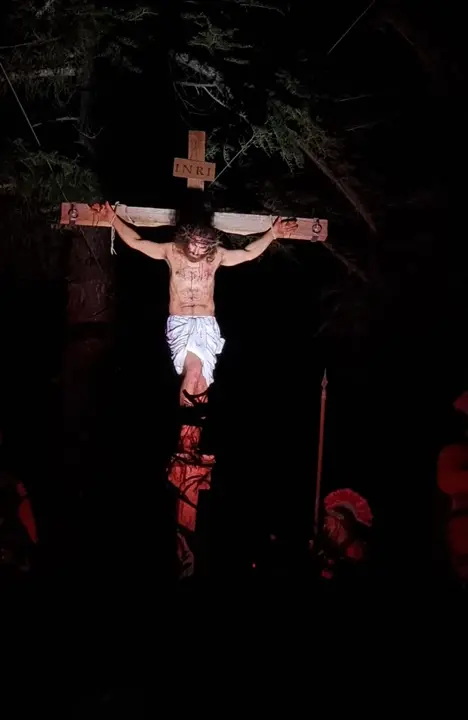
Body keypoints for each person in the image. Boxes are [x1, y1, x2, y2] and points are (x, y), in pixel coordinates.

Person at [93, 202, 297, 404]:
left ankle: (193, 423)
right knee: (195, 372)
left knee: (200, 380)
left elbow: (248, 254)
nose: (197, 251)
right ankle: (189, 421)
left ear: (210, 245)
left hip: (207, 323)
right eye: (194, 244)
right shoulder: (171, 251)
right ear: (186, 237)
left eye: (203, 247)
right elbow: (137, 242)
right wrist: (112, 218)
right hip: (180, 322)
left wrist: (273, 234)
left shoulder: (216, 256)